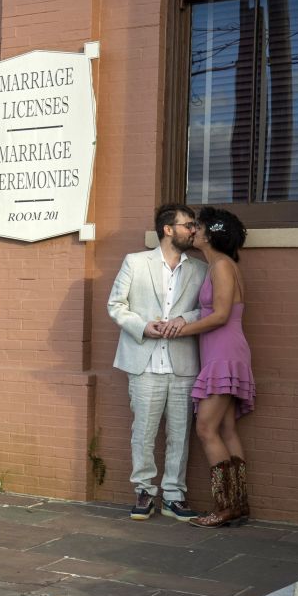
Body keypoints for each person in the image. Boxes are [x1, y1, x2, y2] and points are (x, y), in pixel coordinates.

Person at [107, 203, 208, 521]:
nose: (193, 230)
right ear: (168, 229)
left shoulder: (200, 269)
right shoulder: (135, 262)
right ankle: (144, 491)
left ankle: (174, 496)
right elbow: (116, 305)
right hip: (144, 362)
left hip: (182, 363)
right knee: (144, 431)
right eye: (188, 225)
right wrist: (142, 326)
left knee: (180, 433)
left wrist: (184, 318)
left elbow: (207, 309)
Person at [165, 206, 253, 527]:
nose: (194, 231)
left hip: (224, 353)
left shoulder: (221, 266)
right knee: (226, 429)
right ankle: (238, 504)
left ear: (210, 234)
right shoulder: (217, 264)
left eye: (198, 227)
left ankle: (225, 506)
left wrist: (179, 328)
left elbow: (220, 315)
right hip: (221, 352)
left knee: (205, 428)